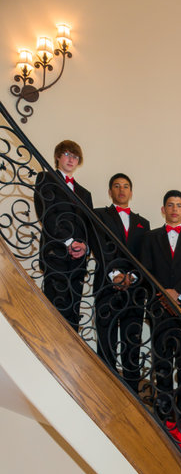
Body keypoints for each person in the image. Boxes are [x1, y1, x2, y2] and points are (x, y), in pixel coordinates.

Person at [141, 190, 181, 417]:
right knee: (162, 359)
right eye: (170, 205)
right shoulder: (150, 237)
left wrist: (177, 292)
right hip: (159, 306)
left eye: (179, 205)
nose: (174, 209)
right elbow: (146, 268)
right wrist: (164, 293)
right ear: (163, 210)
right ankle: (164, 406)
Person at [94, 173, 151, 392]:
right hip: (107, 286)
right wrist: (115, 274)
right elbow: (99, 246)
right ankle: (105, 388)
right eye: (117, 186)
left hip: (135, 290)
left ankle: (131, 391)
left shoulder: (143, 223)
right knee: (106, 339)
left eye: (126, 186)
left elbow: (144, 256)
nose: (121, 190)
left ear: (131, 192)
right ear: (110, 192)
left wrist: (133, 276)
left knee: (132, 342)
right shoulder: (99, 215)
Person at [34, 140, 94, 331]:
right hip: (55, 254)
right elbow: (46, 213)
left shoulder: (85, 193)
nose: (71, 159)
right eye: (67, 154)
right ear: (58, 157)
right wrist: (68, 241)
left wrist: (84, 246)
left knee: (73, 314)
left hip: (77, 261)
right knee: (53, 311)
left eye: (75, 157)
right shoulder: (45, 179)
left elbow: (89, 226)